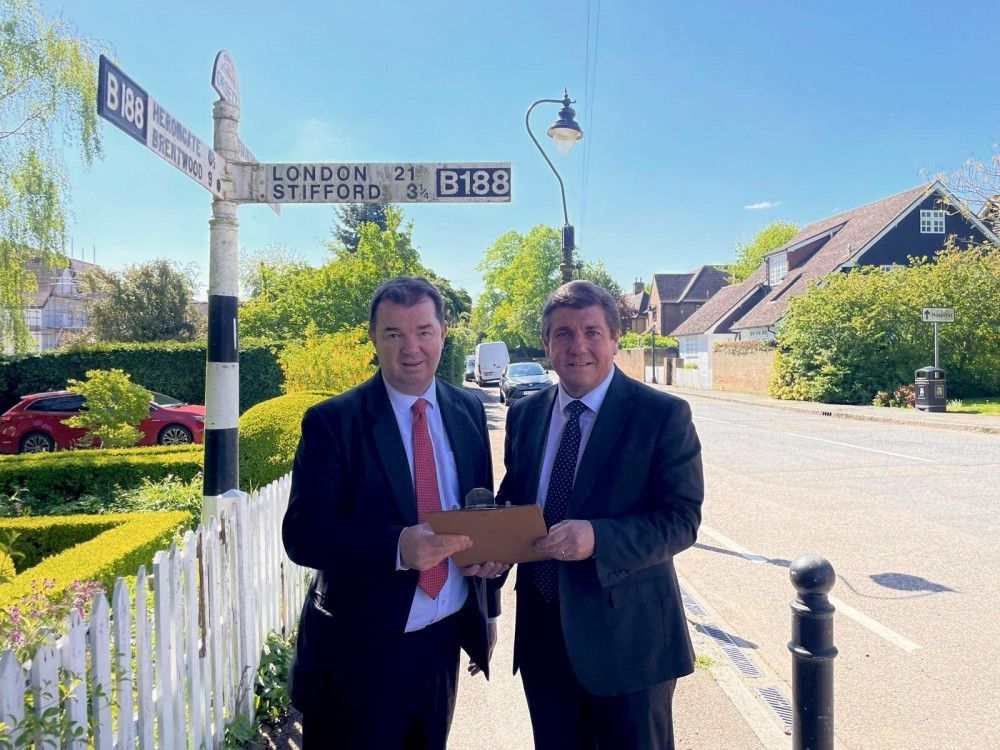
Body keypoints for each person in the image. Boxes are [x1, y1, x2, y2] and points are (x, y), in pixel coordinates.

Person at [282, 275, 506, 749]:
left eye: (423, 331)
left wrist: (486, 611)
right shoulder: (333, 421)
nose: (411, 348)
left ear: (443, 332)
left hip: (442, 644)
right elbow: (303, 533)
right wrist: (398, 546)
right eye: (394, 334)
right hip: (358, 655)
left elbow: (479, 513)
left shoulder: (467, 410)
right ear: (373, 338)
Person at [495, 280, 704, 750]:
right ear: (546, 343)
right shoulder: (525, 415)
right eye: (563, 334)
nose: (579, 346)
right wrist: (494, 552)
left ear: (614, 338)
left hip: (630, 644)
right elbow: (517, 498)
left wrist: (598, 538)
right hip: (544, 637)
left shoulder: (661, 415)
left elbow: (681, 519)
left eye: (592, 331)